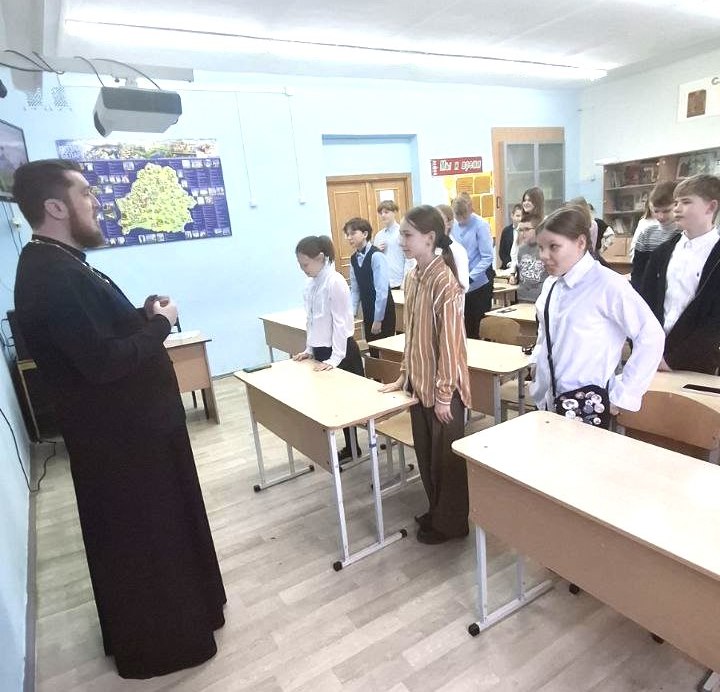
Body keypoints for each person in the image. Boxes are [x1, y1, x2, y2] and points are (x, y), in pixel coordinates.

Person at [12, 159, 226, 679]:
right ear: (55, 207)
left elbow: (97, 334)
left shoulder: (62, 263)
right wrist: (160, 325)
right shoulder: (53, 275)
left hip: (134, 434)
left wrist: (140, 315)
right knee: (147, 546)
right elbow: (104, 362)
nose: (96, 202)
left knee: (165, 533)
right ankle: (166, 644)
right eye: (86, 193)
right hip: (123, 446)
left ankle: (196, 610)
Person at [380, 205, 471, 545]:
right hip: (420, 386)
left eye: (407, 235)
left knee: (447, 462)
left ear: (430, 238)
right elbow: (412, 334)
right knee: (428, 457)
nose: (401, 240)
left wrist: (445, 395)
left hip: (443, 390)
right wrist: (403, 375)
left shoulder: (444, 281)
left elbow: (450, 344)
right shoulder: (413, 277)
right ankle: (436, 511)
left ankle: (453, 524)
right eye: (402, 234)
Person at [531, 205, 664, 420]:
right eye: (540, 247)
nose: (544, 256)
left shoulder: (608, 285)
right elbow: (545, 331)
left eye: (554, 246)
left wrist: (624, 394)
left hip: (587, 403)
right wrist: (537, 360)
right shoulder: (551, 284)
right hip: (548, 399)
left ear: (581, 242)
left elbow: (651, 336)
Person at [293, 235, 365, 460]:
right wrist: (309, 349)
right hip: (322, 352)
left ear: (320, 258)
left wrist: (334, 359)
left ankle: (353, 447)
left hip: (341, 352)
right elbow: (312, 321)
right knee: (332, 404)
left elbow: (341, 324)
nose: (303, 270)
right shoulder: (311, 285)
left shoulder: (335, 282)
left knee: (346, 404)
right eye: (300, 265)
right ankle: (348, 448)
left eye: (305, 264)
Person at [639, 174, 720, 374]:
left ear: (710, 207)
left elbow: (715, 322)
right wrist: (645, 349)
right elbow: (645, 303)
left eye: (686, 202)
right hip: (653, 355)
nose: (677, 208)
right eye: (676, 203)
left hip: (697, 361)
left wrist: (674, 360)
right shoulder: (662, 253)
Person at [343, 217, 396, 350]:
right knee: (372, 347)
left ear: (365, 234)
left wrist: (378, 319)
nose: (349, 237)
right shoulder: (353, 259)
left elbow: (382, 291)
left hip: (383, 310)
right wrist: (351, 314)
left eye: (353, 233)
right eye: (347, 234)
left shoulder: (376, 255)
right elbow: (355, 289)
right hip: (367, 309)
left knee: (384, 349)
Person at [451, 195, 494, 338]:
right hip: (460, 282)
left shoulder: (480, 225)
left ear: (470, 210)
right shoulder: (453, 225)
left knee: (477, 325)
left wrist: (471, 277)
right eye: (457, 216)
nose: (460, 219)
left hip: (479, 282)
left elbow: (487, 257)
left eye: (463, 215)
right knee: (463, 325)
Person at [630, 181, 680, 290]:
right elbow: (638, 271)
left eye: (666, 211)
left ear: (677, 205)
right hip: (648, 291)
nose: (660, 216)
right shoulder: (646, 233)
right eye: (656, 211)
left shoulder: (684, 234)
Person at [508, 216, 547, 303]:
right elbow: (522, 275)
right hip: (522, 298)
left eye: (527, 229)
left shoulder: (546, 249)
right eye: (521, 230)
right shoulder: (521, 249)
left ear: (538, 229)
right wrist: (513, 277)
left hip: (540, 299)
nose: (523, 233)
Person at [374, 200, 408, 289]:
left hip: (398, 282)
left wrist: (405, 282)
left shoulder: (402, 233)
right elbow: (374, 261)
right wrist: (376, 251)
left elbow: (409, 259)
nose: (383, 215)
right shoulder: (379, 235)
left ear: (395, 212)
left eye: (386, 212)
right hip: (382, 283)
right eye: (381, 213)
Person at [436, 203, 470, 292]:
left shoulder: (458, 250)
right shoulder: (426, 248)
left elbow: (464, 285)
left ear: (449, 223)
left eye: (439, 220)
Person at [499, 203, 523, 270]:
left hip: (522, 268)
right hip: (508, 267)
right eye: (517, 216)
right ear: (512, 216)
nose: (520, 219)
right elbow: (502, 252)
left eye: (522, 216)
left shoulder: (527, 232)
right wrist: (509, 264)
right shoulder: (506, 231)